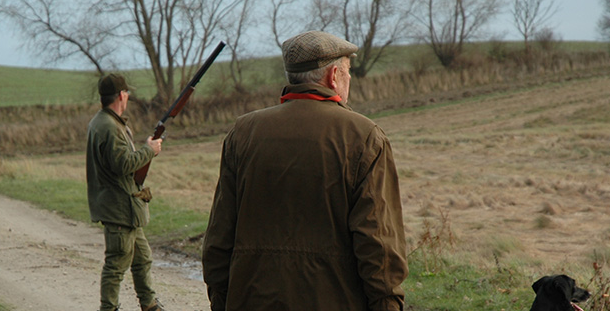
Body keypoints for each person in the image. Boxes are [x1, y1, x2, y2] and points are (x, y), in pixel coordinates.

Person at [202, 31, 408, 311]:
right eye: (348, 72)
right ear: (334, 76)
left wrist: (222, 301)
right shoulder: (364, 137)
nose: (349, 80)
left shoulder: (242, 133)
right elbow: (378, 248)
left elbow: (218, 238)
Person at [86, 74, 165, 311]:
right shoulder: (109, 127)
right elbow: (123, 164)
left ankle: (150, 305)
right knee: (116, 266)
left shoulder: (105, 121)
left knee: (142, 259)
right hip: (119, 208)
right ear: (121, 95)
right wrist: (149, 150)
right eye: (127, 93)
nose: (128, 96)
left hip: (127, 208)